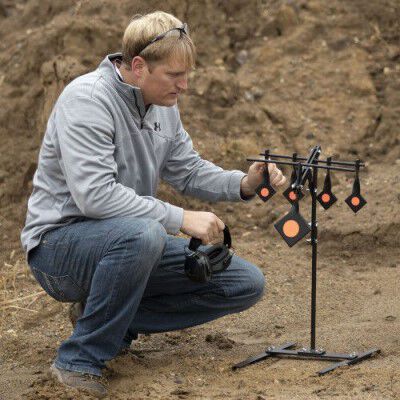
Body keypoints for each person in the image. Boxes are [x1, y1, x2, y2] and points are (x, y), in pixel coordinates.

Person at [21, 11, 286, 398]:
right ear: (140, 66)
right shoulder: (87, 99)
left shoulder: (163, 104)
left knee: (243, 283)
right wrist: (180, 218)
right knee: (145, 233)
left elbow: (188, 170)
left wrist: (245, 183)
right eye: (175, 75)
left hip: (127, 245)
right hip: (59, 248)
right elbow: (94, 196)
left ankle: (104, 320)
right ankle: (79, 360)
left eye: (187, 74)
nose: (185, 85)